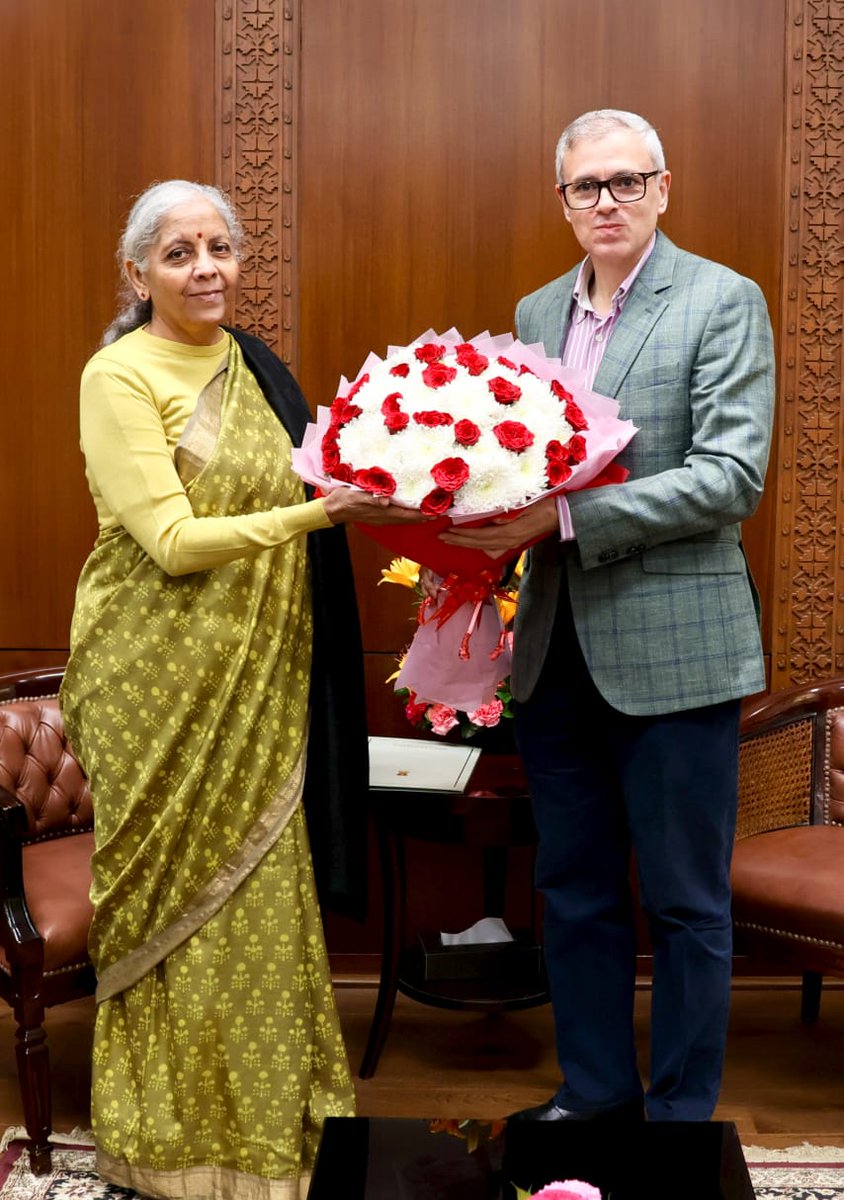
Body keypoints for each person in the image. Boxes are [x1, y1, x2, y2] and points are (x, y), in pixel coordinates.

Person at [59, 179, 424, 1199]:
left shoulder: (255, 364)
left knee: (261, 896)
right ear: (138, 272)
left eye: (220, 247)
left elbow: (316, 474)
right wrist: (323, 515)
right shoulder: (118, 376)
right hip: (154, 679)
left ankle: (270, 1131)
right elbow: (172, 544)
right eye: (179, 253)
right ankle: (167, 1142)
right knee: (170, 900)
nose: (205, 268)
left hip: (260, 670)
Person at [437, 109, 774, 1121]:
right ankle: (592, 1095)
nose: (608, 201)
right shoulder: (536, 311)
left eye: (628, 181)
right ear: (564, 201)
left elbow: (730, 476)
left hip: (677, 650)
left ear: (663, 189)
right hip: (556, 652)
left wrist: (566, 519)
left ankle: (677, 1118)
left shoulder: (721, 299)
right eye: (587, 186)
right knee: (573, 892)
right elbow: (517, 463)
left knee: (683, 902)